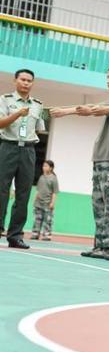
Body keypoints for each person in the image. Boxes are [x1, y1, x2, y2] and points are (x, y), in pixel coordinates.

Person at [52, 65, 109, 258]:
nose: (108, 80)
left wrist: (67, 111)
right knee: (99, 204)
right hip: (100, 158)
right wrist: (66, 111)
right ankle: (100, 244)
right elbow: (92, 109)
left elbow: (94, 110)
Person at [0, 69, 46, 249]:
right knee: (1, 190)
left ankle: (15, 235)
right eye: (23, 79)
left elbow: (41, 128)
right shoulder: (5, 100)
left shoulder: (39, 105)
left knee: (23, 194)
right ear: (15, 81)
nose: (26, 83)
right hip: (7, 147)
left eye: (29, 81)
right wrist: (18, 114)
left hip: (28, 150)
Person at [31, 160, 59, 241]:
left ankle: (47, 235)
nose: (44, 167)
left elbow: (55, 192)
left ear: (51, 168)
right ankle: (35, 233)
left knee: (48, 220)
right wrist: (34, 200)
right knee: (37, 219)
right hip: (39, 203)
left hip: (47, 203)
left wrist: (52, 203)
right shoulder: (41, 177)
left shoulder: (53, 179)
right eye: (43, 166)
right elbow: (38, 190)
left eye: (46, 166)